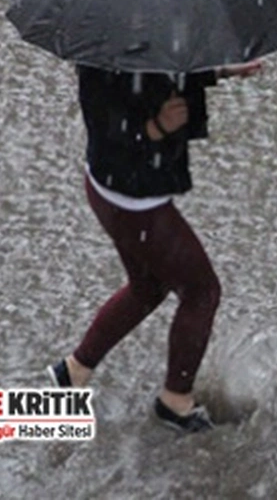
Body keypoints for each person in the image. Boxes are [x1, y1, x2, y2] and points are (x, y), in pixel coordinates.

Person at [47, 59, 263, 433]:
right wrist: (157, 126)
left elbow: (160, 72)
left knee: (148, 287)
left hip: (112, 190)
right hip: (133, 203)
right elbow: (110, 127)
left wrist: (220, 71)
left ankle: (75, 369)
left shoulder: (134, 43)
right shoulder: (104, 62)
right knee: (202, 291)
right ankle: (175, 401)